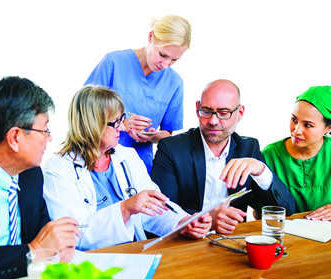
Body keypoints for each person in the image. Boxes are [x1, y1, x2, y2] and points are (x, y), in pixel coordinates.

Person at [43, 85, 211, 251]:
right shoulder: (58, 168)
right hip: (88, 263)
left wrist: (183, 222)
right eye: (115, 123)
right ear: (91, 125)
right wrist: (125, 209)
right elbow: (73, 234)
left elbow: (154, 207)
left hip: (133, 254)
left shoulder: (127, 157)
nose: (122, 128)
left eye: (121, 120)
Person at [0, 77, 81, 279]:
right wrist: (32, 252)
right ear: (15, 137)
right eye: (45, 129)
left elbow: (40, 230)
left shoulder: (31, 175)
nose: (49, 138)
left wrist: (56, 249)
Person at [151, 79, 295, 234]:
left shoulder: (249, 148)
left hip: (232, 241)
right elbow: (160, 211)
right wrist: (208, 219)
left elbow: (285, 209)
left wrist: (261, 170)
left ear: (239, 114)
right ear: (197, 108)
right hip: (183, 242)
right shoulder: (171, 148)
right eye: (206, 111)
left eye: (223, 113)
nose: (213, 121)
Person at [84, 15, 191, 174]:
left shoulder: (174, 83)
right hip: (97, 157)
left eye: (174, 60)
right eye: (163, 55)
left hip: (139, 168)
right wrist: (122, 125)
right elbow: (84, 111)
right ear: (150, 37)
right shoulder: (113, 62)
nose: (166, 64)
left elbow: (167, 135)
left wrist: (150, 135)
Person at [262, 85, 331, 221]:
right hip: (288, 238)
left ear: (330, 127)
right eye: (294, 120)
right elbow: (259, 213)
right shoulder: (270, 155)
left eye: (308, 125)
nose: (296, 130)